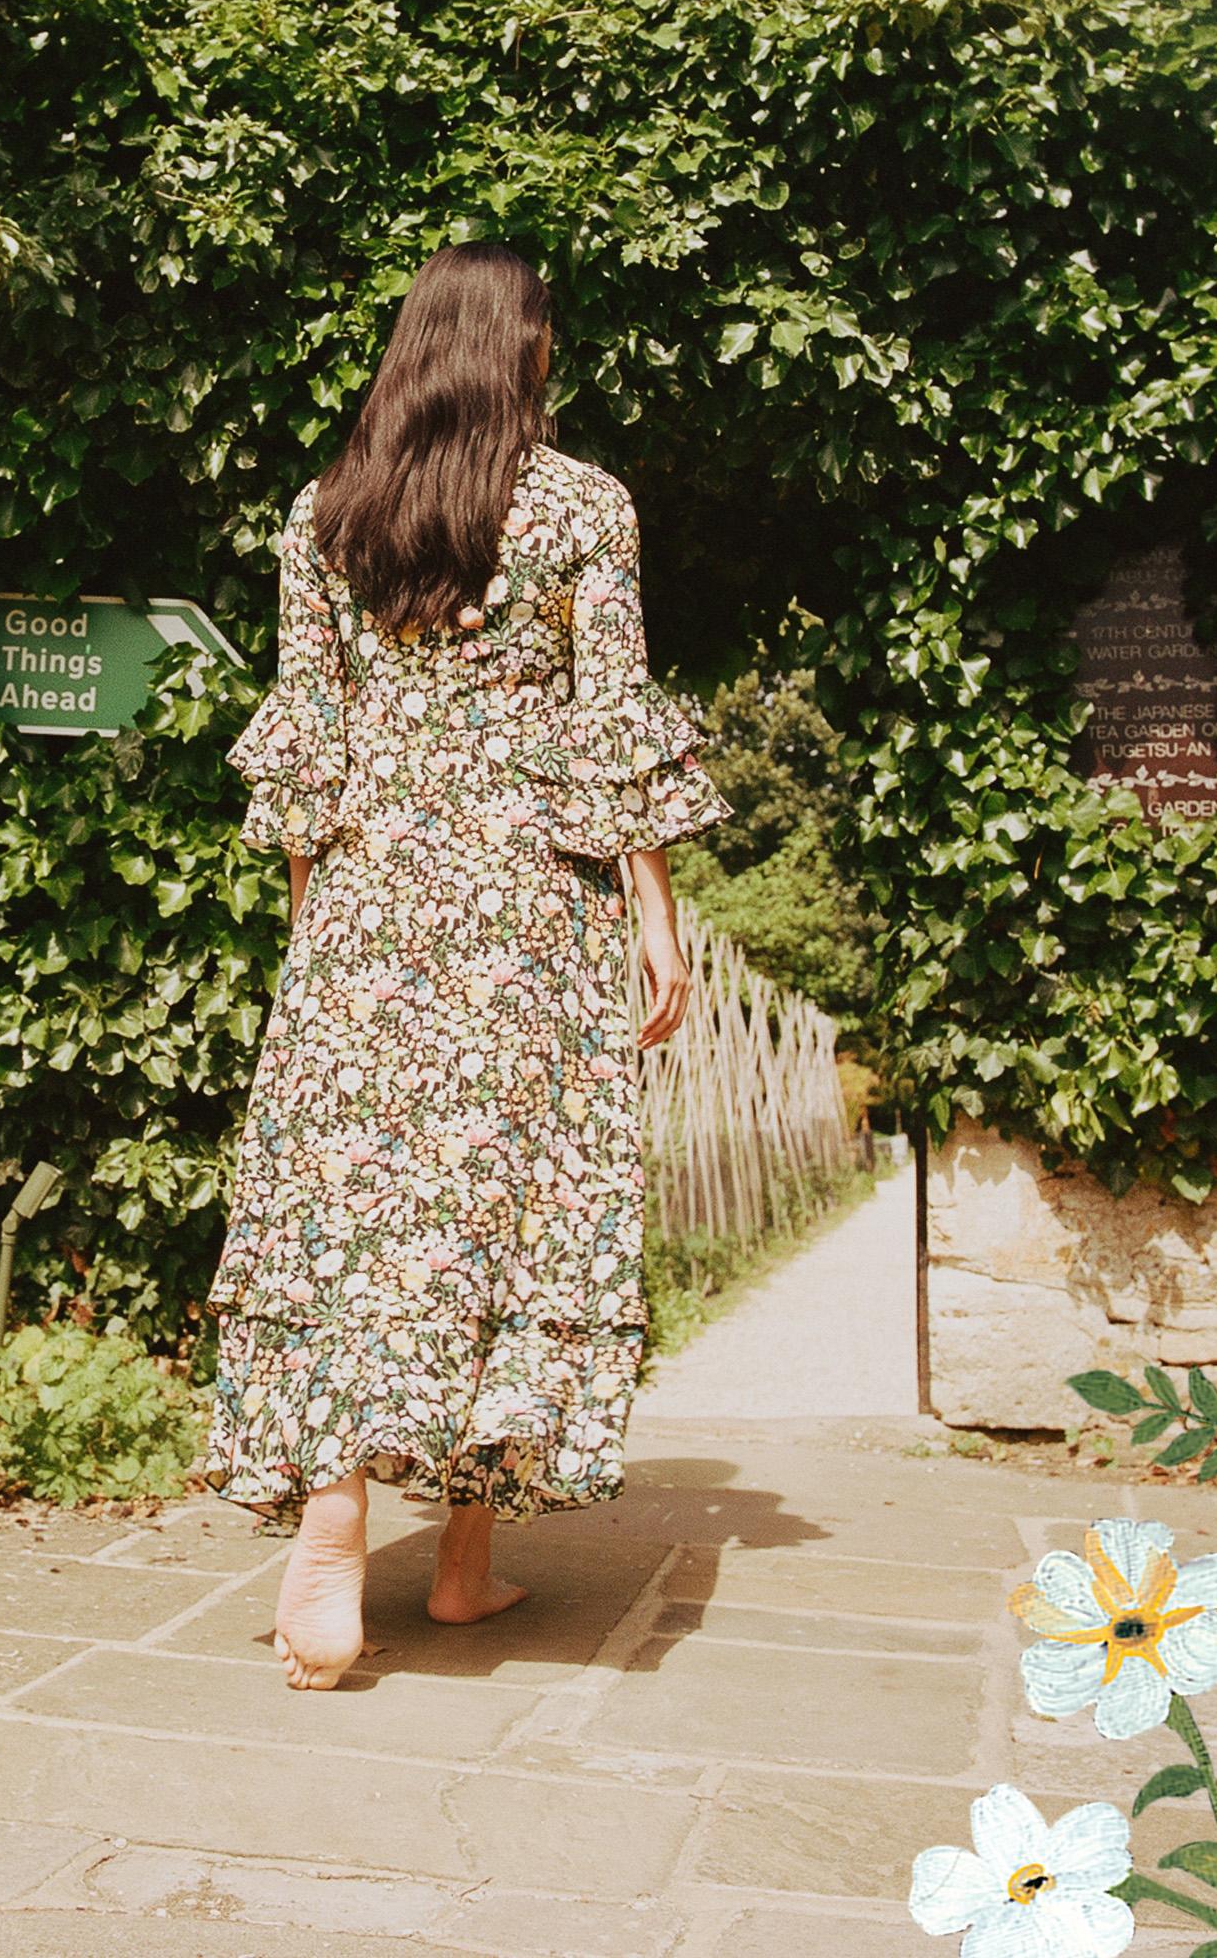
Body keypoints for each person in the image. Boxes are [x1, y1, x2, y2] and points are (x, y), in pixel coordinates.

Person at [200, 242, 730, 1687]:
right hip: (523, 904)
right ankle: (462, 1563)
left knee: (356, 1208)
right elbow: (610, 719)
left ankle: (337, 1515)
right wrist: (655, 916)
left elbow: (307, 739)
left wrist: (319, 927)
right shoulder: (582, 508)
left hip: (369, 900)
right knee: (513, 1202)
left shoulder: (327, 513)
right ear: (521, 346)